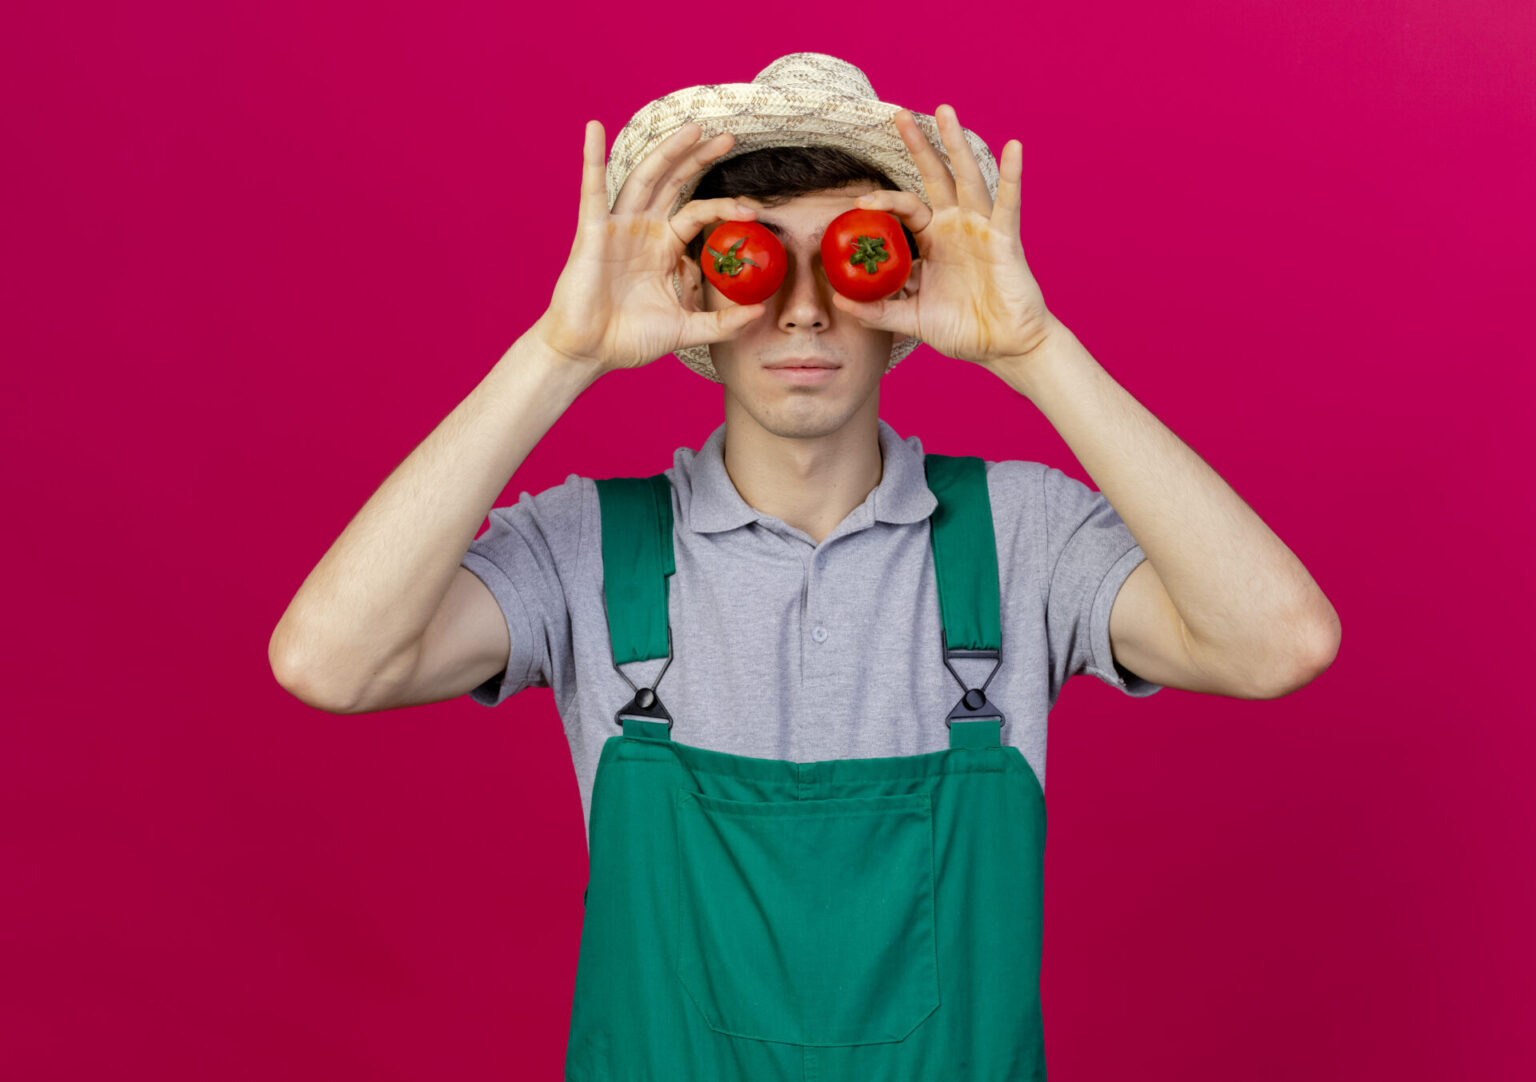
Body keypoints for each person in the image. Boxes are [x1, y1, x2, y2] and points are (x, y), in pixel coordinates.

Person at [269, 51, 1340, 1080]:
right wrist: (561, 352)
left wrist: (1036, 349)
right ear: (695, 288)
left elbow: (1278, 641)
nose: (804, 307)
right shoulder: (591, 547)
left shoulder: (1018, 536)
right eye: (754, 255)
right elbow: (330, 661)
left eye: (850, 253)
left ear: (905, 279)